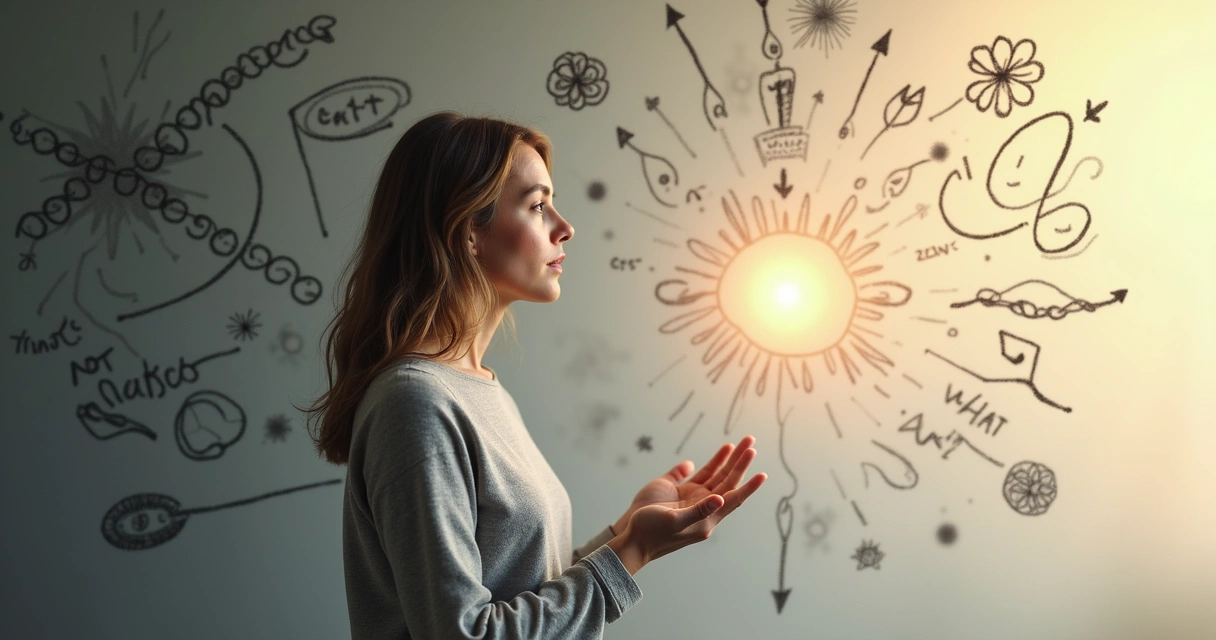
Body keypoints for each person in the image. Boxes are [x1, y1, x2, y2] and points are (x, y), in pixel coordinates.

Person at [306, 111, 768, 639]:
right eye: (537, 205)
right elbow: (466, 633)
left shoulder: (477, 390)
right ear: (467, 233)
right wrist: (633, 550)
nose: (565, 227)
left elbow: (518, 592)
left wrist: (625, 529)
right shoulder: (415, 404)